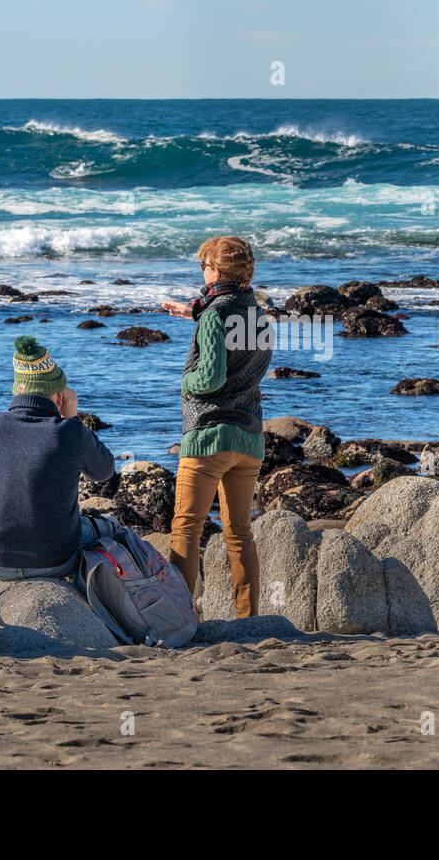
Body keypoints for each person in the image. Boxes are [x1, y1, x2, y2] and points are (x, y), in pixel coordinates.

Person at [161, 236, 273, 617]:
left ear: (217, 271)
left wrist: (185, 381)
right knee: (239, 533)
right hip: (249, 439)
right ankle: (247, 617)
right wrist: (192, 312)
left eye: (203, 267)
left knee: (187, 529)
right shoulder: (257, 314)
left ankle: (180, 615)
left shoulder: (213, 315)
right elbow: (229, 322)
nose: (201, 273)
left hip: (208, 436)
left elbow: (208, 377)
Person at [0, 335, 115, 583]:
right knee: (112, 528)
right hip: (55, 561)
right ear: (59, 397)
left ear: (18, 389)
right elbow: (104, 470)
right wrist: (72, 419)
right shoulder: (69, 430)